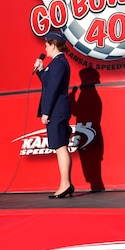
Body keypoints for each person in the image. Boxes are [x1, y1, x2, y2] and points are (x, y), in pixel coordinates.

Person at [34, 31, 74, 199]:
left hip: (56, 110)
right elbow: (48, 82)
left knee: (60, 146)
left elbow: (52, 90)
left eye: (46, 45)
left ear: (53, 45)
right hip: (58, 109)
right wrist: (40, 71)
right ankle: (66, 184)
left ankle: (65, 184)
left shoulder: (58, 63)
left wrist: (46, 112)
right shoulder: (56, 63)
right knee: (60, 146)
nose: (45, 48)